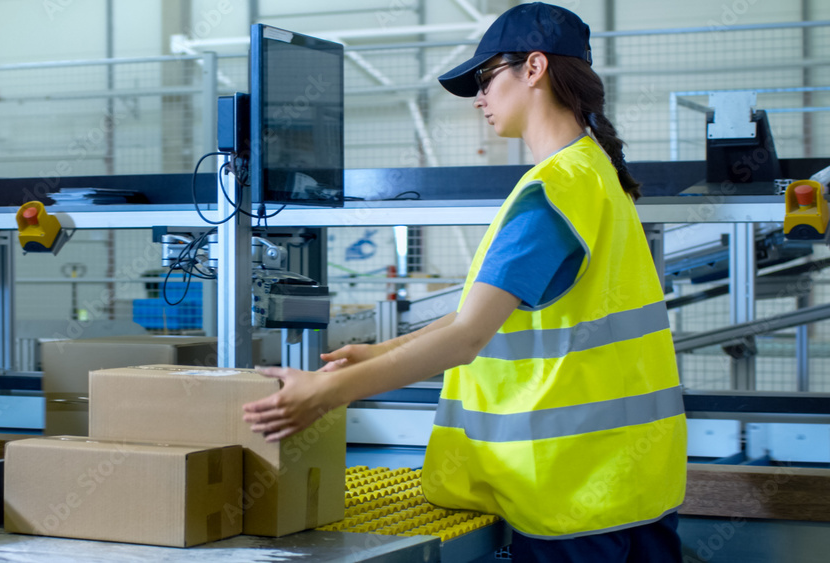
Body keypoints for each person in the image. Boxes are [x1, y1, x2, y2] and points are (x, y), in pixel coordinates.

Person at [242, 3, 687, 561]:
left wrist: (328, 393)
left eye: (485, 78)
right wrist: (384, 349)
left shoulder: (550, 194)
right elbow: (487, 319)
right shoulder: (596, 174)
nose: (479, 97)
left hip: (573, 500)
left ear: (534, 69)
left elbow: (468, 337)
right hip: (638, 484)